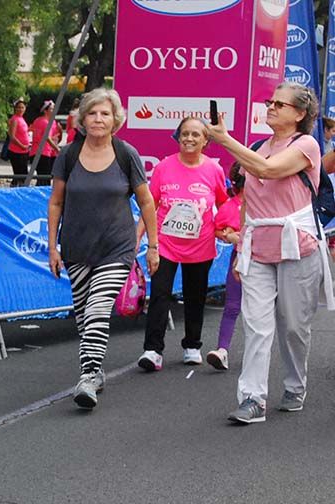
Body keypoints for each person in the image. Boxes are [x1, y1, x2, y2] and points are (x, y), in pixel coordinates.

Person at [207, 82, 334, 424]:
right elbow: (249, 198)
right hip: (258, 247)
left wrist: (224, 140)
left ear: (300, 114)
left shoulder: (306, 144)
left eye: (281, 104)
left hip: (298, 246)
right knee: (257, 326)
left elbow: (269, 171)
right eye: (270, 101)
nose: (272, 107)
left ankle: (295, 386)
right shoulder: (259, 147)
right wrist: (241, 245)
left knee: (293, 326)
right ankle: (252, 398)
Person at [46, 88, 159, 409]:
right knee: (83, 316)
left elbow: (146, 201)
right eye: (92, 113)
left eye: (105, 114)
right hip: (76, 247)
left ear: (115, 120)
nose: (98, 119)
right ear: (82, 119)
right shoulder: (68, 155)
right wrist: (52, 247)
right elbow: (56, 202)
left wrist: (153, 245)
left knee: (97, 308)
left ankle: (88, 375)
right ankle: (95, 371)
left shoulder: (126, 154)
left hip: (117, 247)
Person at [137, 117, 228, 371]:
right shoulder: (164, 167)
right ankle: (153, 350)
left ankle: (192, 344)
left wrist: (227, 228)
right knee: (159, 294)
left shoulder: (214, 170)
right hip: (165, 243)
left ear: (205, 140)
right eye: (184, 133)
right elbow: (150, 204)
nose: (189, 138)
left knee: (195, 295)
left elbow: (223, 204)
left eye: (195, 135)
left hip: (200, 245)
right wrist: (139, 238)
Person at [205, 162, 245, 371]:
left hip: (268, 261)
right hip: (239, 261)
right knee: (232, 306)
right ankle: (222, 350)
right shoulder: (231, 205)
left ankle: (258, 354)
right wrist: (230, 236)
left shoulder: (269, 203)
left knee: (263, 311)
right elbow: (218, 229)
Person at [29, 100, 62, 185]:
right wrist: (57, 149)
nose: (54, 110)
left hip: (36, 152)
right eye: (52, 109)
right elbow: (47, 137)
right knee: (45, 178)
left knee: (42, 177)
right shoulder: (46, 122)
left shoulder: (38, 120)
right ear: (45, 111)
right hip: (43, 153)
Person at [7, 98, 30, 186]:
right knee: (19, 174)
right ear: (15, 109)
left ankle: (19, 188)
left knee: (23, 174)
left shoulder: (21, 119)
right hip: (17, 151)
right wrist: (22, 146)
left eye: (22, 107)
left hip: (24, 151)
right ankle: (16, 189)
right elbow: (12, 136)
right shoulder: (15, 119)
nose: (20, 109)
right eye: (18, 107)